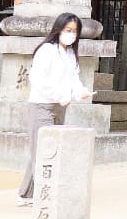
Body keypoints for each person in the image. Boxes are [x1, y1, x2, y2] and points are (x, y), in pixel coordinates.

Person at [18, 13, 93, 205]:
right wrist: (60, 95)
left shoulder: (70, 54)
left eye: (75, 32)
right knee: (42, 150)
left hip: (61, 107)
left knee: (48, 149)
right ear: (59, 29)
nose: (71, 35)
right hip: (41, 105)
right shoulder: (46, 50)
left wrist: (80, 92)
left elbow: (74, 80)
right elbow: (38, 80)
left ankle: (28, 193)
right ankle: (44, 193)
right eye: (68, 30)